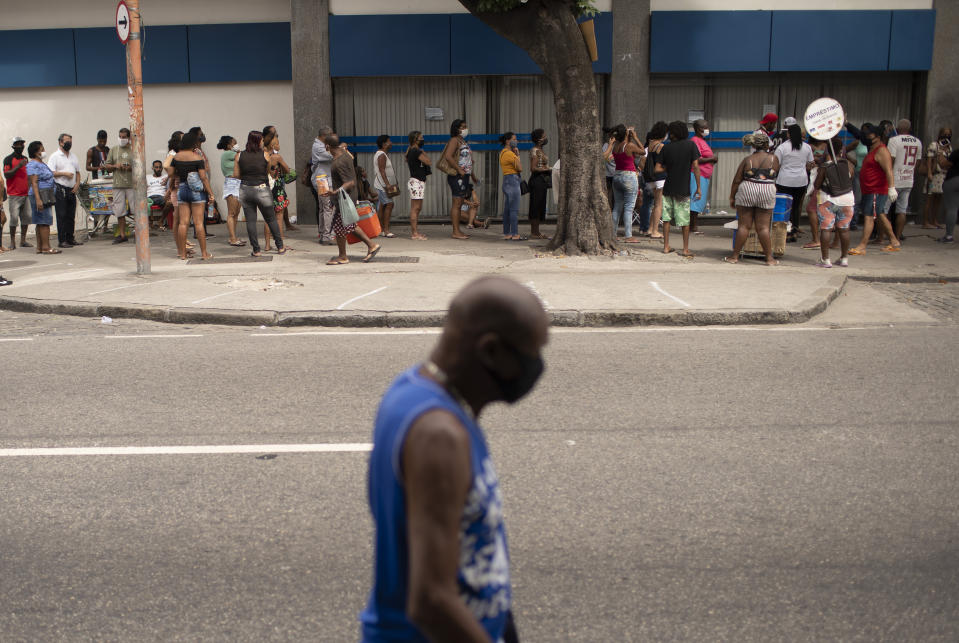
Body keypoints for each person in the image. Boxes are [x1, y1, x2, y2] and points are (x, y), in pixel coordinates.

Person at [360, 275, 546, 643]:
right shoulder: (439, 436)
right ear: (490, 350)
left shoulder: (412, 388)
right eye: (529, 357)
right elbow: (431, 601)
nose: (535, 369)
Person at [725, 132, 780, 266]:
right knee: (763, 228)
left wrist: (732, 197)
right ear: (767, 145)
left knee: (744, 226)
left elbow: (737, 180)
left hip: (747, 190)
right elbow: (775, 176)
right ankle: (769, 259)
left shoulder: (747, 159)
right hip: (767, 190)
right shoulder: (774, 159)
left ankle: (734, 257)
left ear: (754, 145)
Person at [324, 134, 380, 265]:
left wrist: (335, 192)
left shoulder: (339, 162)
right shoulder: (344, 154)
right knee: (343, 227)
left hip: (344, 199)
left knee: (348, 225)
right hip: (346, 197)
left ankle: (370, 246)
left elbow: (350, 183)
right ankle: (343, 255)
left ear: (327, 146)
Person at [850, 123, 901, 254]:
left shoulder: (882, 151)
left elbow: (889, 170)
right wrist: (847, 124)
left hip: (876, 190)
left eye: (869, 134)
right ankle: (894, 241)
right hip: (869, 189)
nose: (866, 136)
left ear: (877, 136)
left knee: (868, 216)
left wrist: (892, 187)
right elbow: (859, 134)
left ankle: (862, 246)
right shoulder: (871, 147)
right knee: (880, 214)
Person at [233, 130, 285, 257]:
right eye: (261, 140)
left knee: (251, 221)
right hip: (262, 189)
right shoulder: (265, 155)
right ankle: (280, 247)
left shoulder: (239, 155)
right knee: (271, 218)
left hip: (245, 189)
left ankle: (256, 250)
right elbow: (269, 172)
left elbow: (236, 175)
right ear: (257, 142)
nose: (263, 142)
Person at [656, 120, 700, 257]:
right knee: (684, 220)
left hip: (668, 187)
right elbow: (696, 166)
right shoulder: (691, 145)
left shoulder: (666, 148)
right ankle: (685, 249)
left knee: (667, 219)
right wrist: (698, 187)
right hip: (683, 188)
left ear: (673, 133)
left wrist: (668, 167)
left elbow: (657, 169)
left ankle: (666, 246)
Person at [169, 129, 214, 260]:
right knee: (199, 223)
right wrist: (210, 193)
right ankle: (204, 253)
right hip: (197, 193)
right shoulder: (197, 157)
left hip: (182, 190)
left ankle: (182, 254)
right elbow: (203, 177)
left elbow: (171, 174)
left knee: (183, 223)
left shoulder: (176, 157)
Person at [811, 137, 856, 268]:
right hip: (847, 200)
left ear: (827, 150)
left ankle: (825, 260)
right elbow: (849, 179)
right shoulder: (849, 164)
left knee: (826, 229)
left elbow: (817, 185)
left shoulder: (825, 166)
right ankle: (844, 258)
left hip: (828, 200)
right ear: (841, 150)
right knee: (844, 229)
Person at [602, 124, 643, 243]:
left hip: (617, 176)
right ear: (626, 134)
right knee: (629, 207)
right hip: (629, 176)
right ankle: (628, 235)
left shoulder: (615, 146)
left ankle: (613, 234)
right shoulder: (629, 145)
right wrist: (635, 137)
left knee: (617, 207)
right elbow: (643, 151)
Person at [774, 124, 814, 243]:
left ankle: (784, 231)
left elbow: (776, 165)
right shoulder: (807, 147)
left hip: (784, 181)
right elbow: (811, 163)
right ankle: (794, 231)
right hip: (801, 182)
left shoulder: (782, 147)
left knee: (784, 207)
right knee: (796, 207)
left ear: (788, 134)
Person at [885, 119, 922, 240]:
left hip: (894, 180)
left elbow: (891, 159)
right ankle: (898, 236)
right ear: (909, 129)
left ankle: (882, 237)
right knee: (902, 210)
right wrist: (910, 172)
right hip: (908, 179)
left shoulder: (894, 140)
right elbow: (918, 162)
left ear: (898, 129)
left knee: (884, 210)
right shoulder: (917, 142)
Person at [442, 119, 478, 240]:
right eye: (462, 127)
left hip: (465, 176)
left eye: (465, 126)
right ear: (456, 129)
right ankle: (455, 231)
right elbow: (448, 156)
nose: (465, 129)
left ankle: (458, 230)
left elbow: (467, 161)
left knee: (459, 202)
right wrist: (459, 169)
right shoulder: (454, 140)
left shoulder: (462, 141)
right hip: (457, 176)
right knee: (457, 203)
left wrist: (472, 175)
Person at [46, 133, 82, 248]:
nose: (69, 143)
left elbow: (78, 172)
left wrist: (77, 184)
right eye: (67, 141)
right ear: (61, 142)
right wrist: (64, 173)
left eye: (70, 141)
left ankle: (70, 238)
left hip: (71, 189)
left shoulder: (73, 156)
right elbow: (50, 172)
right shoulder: (55, 156)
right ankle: (62, 240)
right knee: (61, 215)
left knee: (71, 215)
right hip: (60, 188)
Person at [25, 141, 60, 254]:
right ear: (36, 152)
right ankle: (46, 247)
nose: (44, 151)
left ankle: (40, 247)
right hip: (40, 195)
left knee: (40, 221)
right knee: (45, 220)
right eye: (42, 149)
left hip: (45, 194)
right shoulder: (33, 164)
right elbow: (34, 182)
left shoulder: (41, 163)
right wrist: (38, 199)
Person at [104, 127, 134, 244]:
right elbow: (107, 166)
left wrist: (130, 167)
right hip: (118, 184)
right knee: (119, 210)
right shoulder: (114, 150)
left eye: (124, 137)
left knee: (135, 209)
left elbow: (140, 165)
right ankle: (122, 235)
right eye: (120, 137)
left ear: (129, 138)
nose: (122, 139)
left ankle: (139, 233)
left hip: (132, 184)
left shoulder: (134, 149)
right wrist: (116, 166)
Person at [3, 137, 32, 249]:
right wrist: (18, 166)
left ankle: (23, 240)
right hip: (14, 194)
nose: (20, 146)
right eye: (18, 144)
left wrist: (29, 188)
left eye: (22, 144)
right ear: (13, 147)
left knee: (27, 217)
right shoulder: (8, 159)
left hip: (26, 194)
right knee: (14, 218)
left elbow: (27, 175)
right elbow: (7, 174)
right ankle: (12, 242)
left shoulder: (25, 159)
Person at [641, 122, 668, 239]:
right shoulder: (660, 146)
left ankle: (650, 229)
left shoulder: (650, 145)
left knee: (653, 205)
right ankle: (655, 231)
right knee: (658, 205)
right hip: (660, 178)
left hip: (649, 178)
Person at [689, 119, 716, 235]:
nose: (707, 129)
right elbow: (696, 159)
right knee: (695, 200)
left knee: (699, 201)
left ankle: (693, 226)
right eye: (705, 127)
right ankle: (693, 226)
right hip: (697, 175)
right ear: (698, 129)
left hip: (704, 175)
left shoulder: (702, 140)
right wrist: (712, 159)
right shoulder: (695, 141)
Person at [217, 135, 245, 247]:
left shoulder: (234, 154)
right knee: (231, 213)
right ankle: (233, 238)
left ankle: (233, 237)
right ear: (229, 145)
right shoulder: (228, 153)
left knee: (236, 213)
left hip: (239, 183)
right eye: (234, 143)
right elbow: (243, 156)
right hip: (232, 184)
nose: (236, 144)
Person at [311, 126, 336, 245]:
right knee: (328, 208)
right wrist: (340, 149)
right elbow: (332, 155)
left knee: (323, 208)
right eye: (330, 136)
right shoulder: (318, 146)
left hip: (323, 179)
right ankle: (327, 236)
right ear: (324, 136)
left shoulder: (321, 145)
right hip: (322, 180)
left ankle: (322, 233)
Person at [923, 127, 952, 229]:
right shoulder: (934, 145)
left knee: (938, 199)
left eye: (948, 134)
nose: (946, 136)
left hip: (943, 175)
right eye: (945, 134)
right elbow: (929, 159)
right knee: (930, 198)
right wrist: (929, 173)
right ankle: (925, 222)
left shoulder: (949, 147)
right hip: (934, 174)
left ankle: (934, 220)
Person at [498, 132, 524, 241]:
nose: (516, 141)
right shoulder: (509, 154)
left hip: (507, 180)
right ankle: (515, 233)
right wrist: (517, 155)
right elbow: (520, 168)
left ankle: (507, 233)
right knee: (513, 209)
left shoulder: (502, 152)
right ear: (508, 141)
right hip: (513, 180)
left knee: (508, 209)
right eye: (514, 139)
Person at [406, 130, 431, 241]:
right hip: (416, 182)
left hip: (417, 182)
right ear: (416, 140)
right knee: (415, 208)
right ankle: (414, 233)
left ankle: (415, 232)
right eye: (421, 138)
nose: (423, 140)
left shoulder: (411, 150)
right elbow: (428, 161)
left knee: (417, 208)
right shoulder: (416, 151)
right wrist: (423, 152)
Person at [372, 135, 398, 239]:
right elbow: (382, 170)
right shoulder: (381, 155)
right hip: (382, 185)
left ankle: (381, 229)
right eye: (389, 141)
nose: (391, 143)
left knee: (383, 206)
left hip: (383, 185)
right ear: (384, 144)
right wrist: (387, 184)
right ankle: (386, 230)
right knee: (390, 204)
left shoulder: (383, 154)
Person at [527, 128, 551, 240]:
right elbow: (533, 168)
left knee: (540, 205)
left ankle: (537, 232)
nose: (546, 137)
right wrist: (546, 169)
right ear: (540, 139)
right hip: (537, 180)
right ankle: (534, 232)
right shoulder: (535, 150)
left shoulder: (540, 150)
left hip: (542, 181)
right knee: (535, 206)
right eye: (544, 135)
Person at [936, 141, 959, 243]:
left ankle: (949, 236)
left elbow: (943, 164)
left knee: (952, 208)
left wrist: (941, 153)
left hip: (953, 180)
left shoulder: (957, 153)